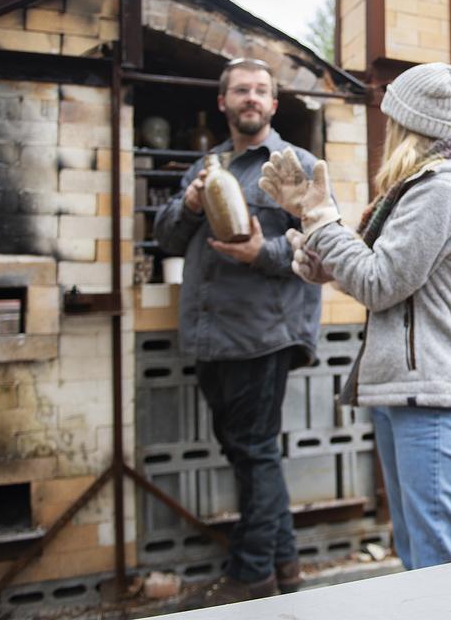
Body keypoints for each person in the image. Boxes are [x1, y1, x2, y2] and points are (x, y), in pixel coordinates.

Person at [260, 61, 451, 571]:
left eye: (393, 120)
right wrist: (324, 263)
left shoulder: (441, 191)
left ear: (409, 125)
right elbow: (378, 277)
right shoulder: (417, 189)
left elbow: (380, 283)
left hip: (432, 392)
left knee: (435, 560)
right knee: (415, 554)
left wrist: (321, 222)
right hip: (404, 387)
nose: (387, 129)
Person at [154, 57, 321, 603]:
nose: (251, 98)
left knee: (253, 451)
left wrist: (260, 252)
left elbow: (321, 247)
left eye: (261, 91)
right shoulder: (205, 167)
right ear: (223, 102)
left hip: (262, 332)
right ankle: (287, 563)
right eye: (240, 90)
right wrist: (191, 202)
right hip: (209, 333)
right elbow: (168, 240)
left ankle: (252, 575)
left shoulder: (294, 165)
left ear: (274, 105)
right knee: (249, 452)